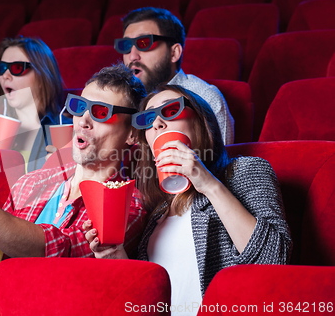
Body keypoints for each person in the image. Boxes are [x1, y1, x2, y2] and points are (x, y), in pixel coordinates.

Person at [84, 85, 292, 315]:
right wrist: (114, 255)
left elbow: (273, 258)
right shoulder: (157, 212)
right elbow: (146, 296)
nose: (157, 124)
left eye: (171, 110)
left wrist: (207, 183)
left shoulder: (244, 171)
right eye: (148, 118)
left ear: (202, 123)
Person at [0, 63, 147, 258]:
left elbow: (64, 250)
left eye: (101, 112)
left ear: (132, 134)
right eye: (78, 106)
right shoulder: (30, 183)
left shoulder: (129, 203)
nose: (83, 120)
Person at [115, 7, 235, 145]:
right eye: (126, 45)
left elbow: (219, 164)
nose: (132, 56)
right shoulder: (118, 100)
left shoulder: (206, 98)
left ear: (174, 53)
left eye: (144, 43)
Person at [0, 36, 72, 172]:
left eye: (17, 68)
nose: (5, 75)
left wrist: (69, 167)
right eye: (1, 68)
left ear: (42, 77)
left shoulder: (69, 131)